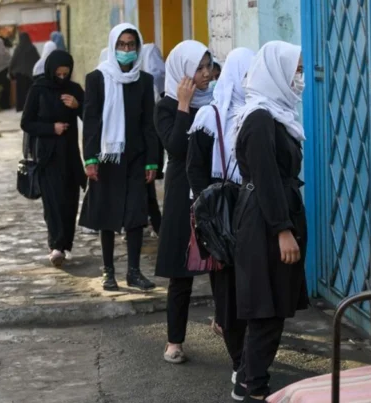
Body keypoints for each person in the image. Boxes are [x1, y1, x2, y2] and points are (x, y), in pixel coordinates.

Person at [232, 41, 307, 401]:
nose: (299, 78)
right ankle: (254, 388)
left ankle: (247, 381)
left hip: (270, 217)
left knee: (272, 306)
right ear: (276, 72)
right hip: (264, 223)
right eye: (295, 70)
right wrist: (282, 230)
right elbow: (265, 178)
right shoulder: (260, 119)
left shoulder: (276, 116)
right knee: (266, 309)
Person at [186, 47, 255, 400]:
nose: (250, 81)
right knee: (227, 292)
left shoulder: (259, 114)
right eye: (246, 75)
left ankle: (252, 361)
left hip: (252, 215)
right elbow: (195, 169)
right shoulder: (208, 117)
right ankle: (239, 361)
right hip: (221, 220)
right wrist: (209, 214)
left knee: (253, 288)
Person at [78, 23, 158, 292]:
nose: (126, 49)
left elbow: (149, 124)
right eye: (122, 44)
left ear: (137, 47)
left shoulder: (144, 81)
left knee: (136, 215)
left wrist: (152, 160)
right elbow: (91, 120)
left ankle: (134, 272)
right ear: (113, 47)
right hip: (107, 158)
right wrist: (90, 158)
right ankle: (108, 271)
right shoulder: (97, 78)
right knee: (107, 215)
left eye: (131, 45)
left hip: (136, 157)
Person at [153, 40, 214, 364]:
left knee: (221, 262)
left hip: (211, 187)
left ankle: (225, 322)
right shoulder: (165, 106)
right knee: (181, 272)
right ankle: (174, 340)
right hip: (181, 191)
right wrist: (183, 105)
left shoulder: (214, 101)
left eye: (208, 66)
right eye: (199, 68)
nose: (206, 74)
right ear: (183, 72)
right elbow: (176, 147)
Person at [20, 50, 86, 267]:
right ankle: (56, 246)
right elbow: (26, 123)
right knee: (53, 203)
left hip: (70, 155)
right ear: (51, 70)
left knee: (69, 201)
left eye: (65, 74)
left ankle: (66, 244)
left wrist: (77, 106)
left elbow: (91, 117)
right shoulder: (38, 89)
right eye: (58, 74)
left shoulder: (74, 90)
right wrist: (51, 128)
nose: (62, 77)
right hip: (47, 157)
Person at [140, 43, 167, 235]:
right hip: (150, 141)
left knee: (147, 190)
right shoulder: (149, 82)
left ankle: (155, 224)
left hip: (148, 141)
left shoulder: (145, 81)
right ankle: (156, 224)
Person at [10, 32, 40, 112]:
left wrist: (10, 72)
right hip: (30, 74)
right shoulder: (32, 48)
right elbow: (37, 60)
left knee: (20, 92)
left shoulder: (18, 49)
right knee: (29, 91)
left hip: (19, 74)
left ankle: (20, 107)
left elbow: (13, 61)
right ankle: (31, 106)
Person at [0, 37, 12, 110]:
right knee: (6, 90)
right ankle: (5, 105)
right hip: (5, 75)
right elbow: (10, 61)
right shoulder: (5, 52)